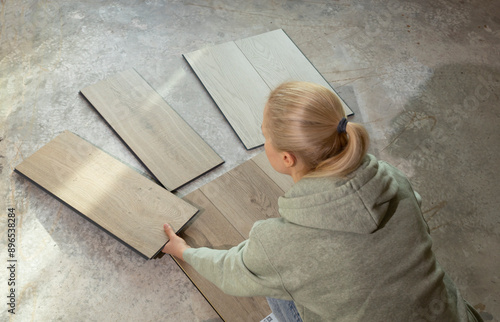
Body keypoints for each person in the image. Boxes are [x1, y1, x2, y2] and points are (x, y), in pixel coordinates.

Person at [162, 81, 483, 322]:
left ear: (286, 158)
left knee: (273, 276)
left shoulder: (281, 242)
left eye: (265, 137)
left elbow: (231, 272)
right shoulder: (389, 177)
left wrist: (184, 251)